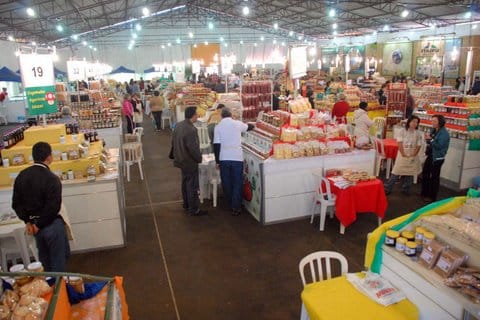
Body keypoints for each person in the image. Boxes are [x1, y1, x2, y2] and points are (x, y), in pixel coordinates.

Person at [12, 142, 70, 271]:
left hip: (34, 226)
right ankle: (59, 289)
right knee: (58, 261)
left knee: (45, 262)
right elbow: (53, 208)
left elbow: (16, 203)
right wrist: (39, 225)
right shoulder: (52, 179)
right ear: (49, 157)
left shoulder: (21, 176)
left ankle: (48, 287)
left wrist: (28, 222)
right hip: (51, 225)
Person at [213, 108, 250, 216]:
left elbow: (216, 145)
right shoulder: (237, 123)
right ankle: (236, 207)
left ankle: (230, 202)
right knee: (237, 182)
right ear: (231, 115)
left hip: (224, 158)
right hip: (237, 157)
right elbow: (248, 128)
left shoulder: (218, 127)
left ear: (222, 116)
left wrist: (217, 161)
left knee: (226, 182)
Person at [171, 107, 207, 216]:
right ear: (193, 115)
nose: (198, 116)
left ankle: (186, 204)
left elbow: (173, 142)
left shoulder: (178, 125)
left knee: (185, 182)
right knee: (192, 185)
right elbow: (193, 148)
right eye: (196, 114)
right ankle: (194, 209)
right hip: (189, 161)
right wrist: (199, 158)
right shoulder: (191, 129)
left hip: (180, 159)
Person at [384, 116, 423, 195]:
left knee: (410, 173)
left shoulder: (418, 133)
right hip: (402, 154)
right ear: (409, 122)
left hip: (413, 155)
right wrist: (403, 153)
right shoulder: (402, 131)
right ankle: (388, 188)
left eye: (416, 122)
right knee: (396, 171)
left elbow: (419, 145)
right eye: (413, 121)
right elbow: (399, 143)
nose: (414, 123)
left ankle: (406, 189)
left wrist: (414, 154)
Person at [421, 115, 450, 202]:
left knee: (434, 177)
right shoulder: (433, 130)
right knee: (425, 173)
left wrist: (431, 140)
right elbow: (430, 142)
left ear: (440, 122)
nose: (432, 122)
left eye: (434, 121)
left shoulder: (444, 133)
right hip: (431, 155)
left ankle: (432, 197)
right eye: (432, 120)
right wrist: (427, 139)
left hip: (438, 157)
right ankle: (424, 192)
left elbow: (439, 146)